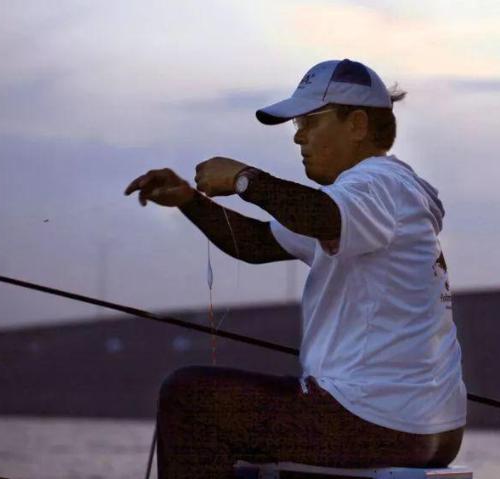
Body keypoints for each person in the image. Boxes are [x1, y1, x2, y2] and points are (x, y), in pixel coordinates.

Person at [124, 59, 467, 479]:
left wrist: (244, 179)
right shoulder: (374, 202)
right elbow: (256, 243)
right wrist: (190, 202)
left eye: (309, 121)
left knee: (189, 397)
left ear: (357, 124)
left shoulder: (376, 183)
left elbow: (321, 217)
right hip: (433, 428)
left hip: (374, 420)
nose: (299, 137)